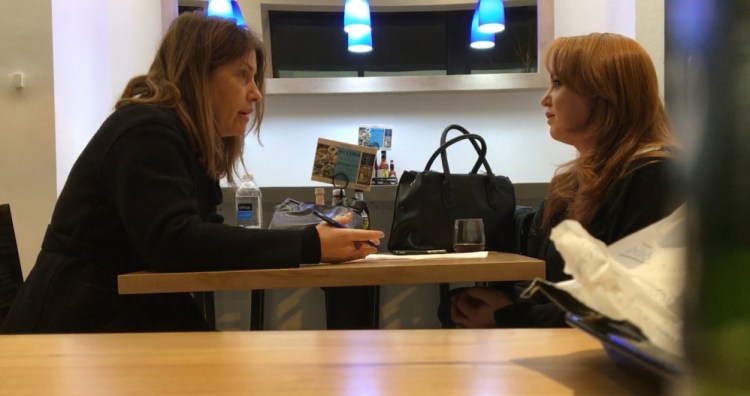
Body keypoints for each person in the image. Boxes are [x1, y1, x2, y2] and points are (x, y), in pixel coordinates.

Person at [1, 13, 383, 334]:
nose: (256, 94)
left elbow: (199, 236)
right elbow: (176, 241)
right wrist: (311, 244)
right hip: (73, 329)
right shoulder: (144, 131)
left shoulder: (181, 139)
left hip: (123, 315)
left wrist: (309, 244)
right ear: (199, 76)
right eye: (242, 75)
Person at [446, 32, 683, 328]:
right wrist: (504, 305)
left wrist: (509, 315)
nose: (545, 98)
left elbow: (626, 307)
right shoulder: (576, 183)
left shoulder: (652, 175)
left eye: (557, 83)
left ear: (604, 93)